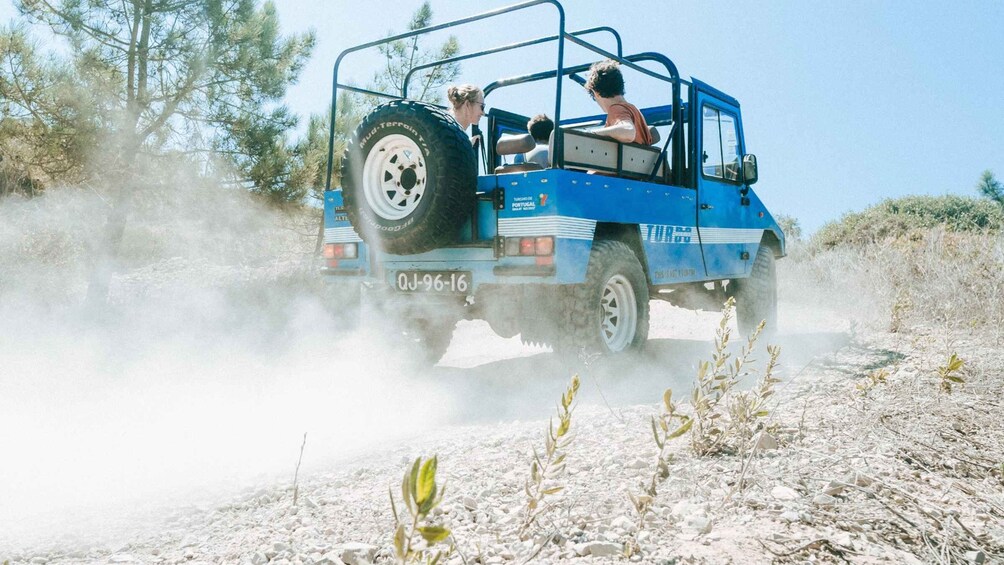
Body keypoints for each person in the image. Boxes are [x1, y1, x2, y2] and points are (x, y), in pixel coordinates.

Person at [584, 59, 652, 145]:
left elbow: (628, 131)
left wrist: (592, 133)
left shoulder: (616, 109)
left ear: (596, 93)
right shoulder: (634, 110)